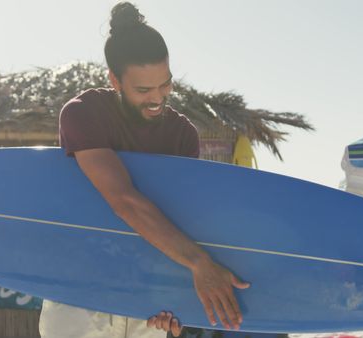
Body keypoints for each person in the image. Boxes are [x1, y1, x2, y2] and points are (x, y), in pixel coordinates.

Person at [39, 2, 249, 338]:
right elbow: (123, 200)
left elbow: (181, 216)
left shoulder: (182, 134)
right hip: (81, 292)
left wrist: (175, 300)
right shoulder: (84, 113)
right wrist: (198, 263)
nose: (157, 99)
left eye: (165, 85)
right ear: (114, 80)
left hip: (147, 301)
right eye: (143, 90)